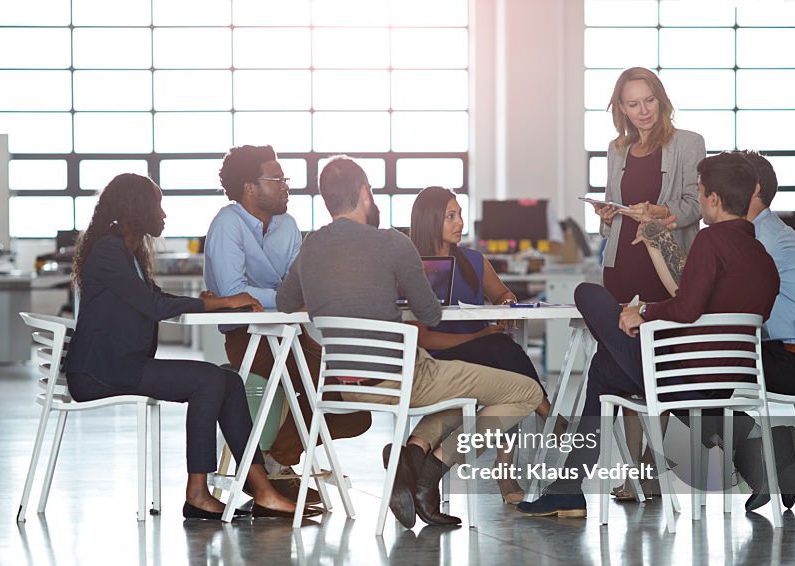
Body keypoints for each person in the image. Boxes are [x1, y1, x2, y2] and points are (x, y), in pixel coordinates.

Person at [518, 152, 795, 518]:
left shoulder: (712, 241)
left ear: (714, 199)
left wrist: (642, 312)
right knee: (604, 369)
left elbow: (686, 309)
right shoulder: (763, 258)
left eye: (699, 192)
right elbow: (709, 312)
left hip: (684, 378)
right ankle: (568, 488)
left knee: (587, 294)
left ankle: (569, 491)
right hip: (733, 380)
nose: (698, 201)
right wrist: (646, 312)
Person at [277, 156, 543, 528]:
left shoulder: (311, 247)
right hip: (405, 379)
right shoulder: (393, 244)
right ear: (364, 193)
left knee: (466, 395)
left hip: (344, 387)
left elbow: (285, 303)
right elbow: (431, 314)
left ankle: (414, 455)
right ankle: (435, 468)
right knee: (525, 392)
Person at [63, 173, 309, 521]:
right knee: (208, 380)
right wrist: (223, 302)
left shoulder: (124, 250)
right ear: (137, 209)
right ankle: (198, 494)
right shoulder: (109, 250)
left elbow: (154, 298)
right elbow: (154, 307)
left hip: (119, 366)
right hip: (101, 373)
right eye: (157, 206)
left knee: (229, 380)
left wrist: (214, 302)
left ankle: (262, 490)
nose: (163, 215)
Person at [204, 145, 370, 502]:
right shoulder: (226, 224)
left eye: (284, 179)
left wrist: (275, 295)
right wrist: (281, 296)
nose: (285, 186)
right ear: (250, 187)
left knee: (357, 411)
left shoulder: (288, 226)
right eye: (276, 179)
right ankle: (273, 470)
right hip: (248, 338)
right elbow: (235, 294)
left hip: (292, 334)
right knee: (333, 387)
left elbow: (299, 287)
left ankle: (275, 459)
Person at [408, 186, 556, 504]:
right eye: (450, 216)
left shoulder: (473, 261)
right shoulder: (413, 267)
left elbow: (503, 295)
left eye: (460, 214)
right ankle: (547, 415)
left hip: (483, 350)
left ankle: (513, 458)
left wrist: (507, 305)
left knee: (504, 361)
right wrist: (479, 336)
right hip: (440, 354)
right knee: (502, 353)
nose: (460, 222)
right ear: (430, 220)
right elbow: (421, 337)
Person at [594, 66, 706, 304]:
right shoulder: (617, 149)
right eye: (633, 104)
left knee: (664, 339)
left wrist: (659, 211)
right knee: (618, 338)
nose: (643, 111)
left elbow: (698, 206)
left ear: (661, 100)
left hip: (667, 269)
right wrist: (606, 217)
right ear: (622, 108)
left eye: (649, 100)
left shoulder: (689, 143)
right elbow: (611, 211)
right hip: (620, 266)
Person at [739, 150, 795, 396]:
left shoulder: (762, 238)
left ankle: (755, 436)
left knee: (680, 370)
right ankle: (757, 435)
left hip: (791, 365)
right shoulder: (767, 230)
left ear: (754, 189)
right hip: (793, 359)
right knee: (686, 366)